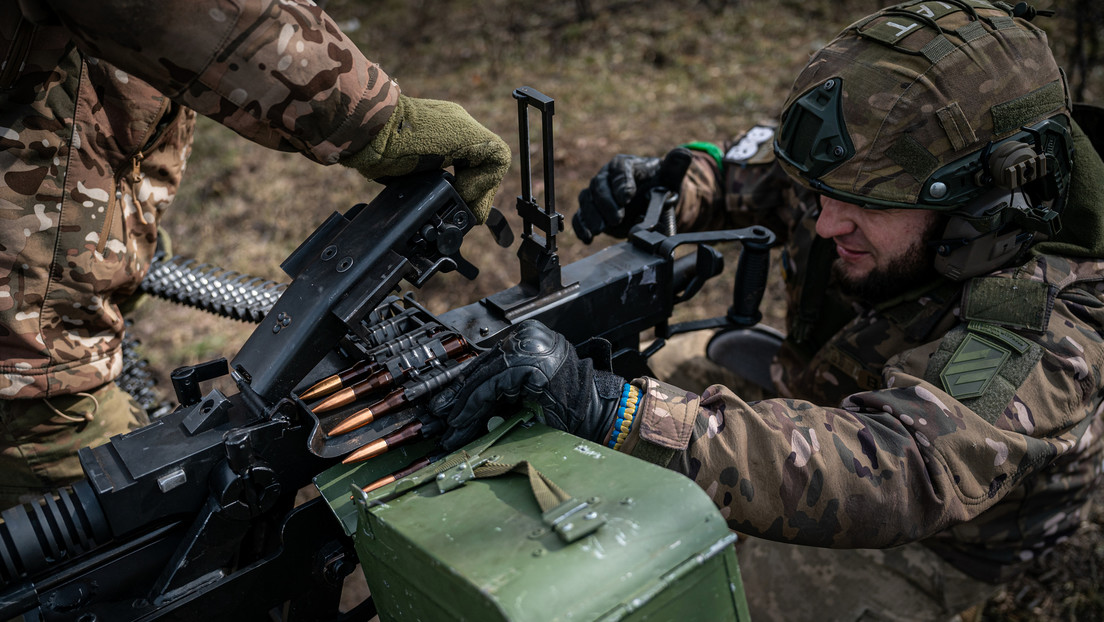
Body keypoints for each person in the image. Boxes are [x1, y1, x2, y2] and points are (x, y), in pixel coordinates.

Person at [430, 1, 1104, 620]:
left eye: (864, 205)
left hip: (943, 533)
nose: (825, 221)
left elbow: (900, 466)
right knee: (664, 372)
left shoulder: (1054, 313)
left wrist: (619, 412)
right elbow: (746, 176)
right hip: (825, 385)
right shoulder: (873, 177)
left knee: (718, 601)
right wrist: (669, 187)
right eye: (822, 192)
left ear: (982, 200)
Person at [0, 0, 511, 509]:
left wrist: (126, 230)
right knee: (128, 510)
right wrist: (373, 117)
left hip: (43, 286)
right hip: (30, 353)